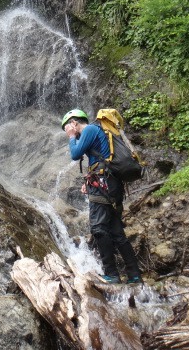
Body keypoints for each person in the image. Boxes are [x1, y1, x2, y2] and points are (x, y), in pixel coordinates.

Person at [61, 108, 143, 284]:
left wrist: (71, 137)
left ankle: (111, 274)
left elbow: (75, 154)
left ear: (74, 122)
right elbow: (99, 160)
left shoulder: (89, 129)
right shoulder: (97, 132)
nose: (67, 130)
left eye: (67, 126)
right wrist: (88, 182)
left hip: (103, 184)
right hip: (110, 183)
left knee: (98, 228)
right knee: (116, 231)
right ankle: (134, 275)